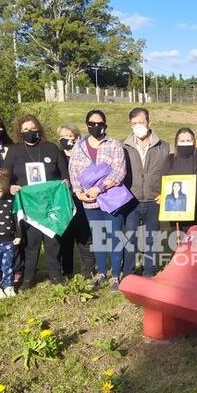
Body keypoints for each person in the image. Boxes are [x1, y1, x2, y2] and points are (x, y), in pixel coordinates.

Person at [4, 113, 70, 288]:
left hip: (49, 206)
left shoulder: (51, 148)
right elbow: (5, 177)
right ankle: (28, 277)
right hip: (28, 206)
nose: (30, 132)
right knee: (30, 243)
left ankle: (55, 274)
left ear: (39, 129)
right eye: (25, 129)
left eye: (33, 128)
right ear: (20, 132)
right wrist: (10, 187)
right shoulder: (14, 150)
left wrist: (65, 183)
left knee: (52, 242)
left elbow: (64, 172)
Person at [68, 110, 126, 291]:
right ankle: (102, 272)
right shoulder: (79, 147)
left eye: (99, 123)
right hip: (90, 201)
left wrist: (100, 188)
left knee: (114, 237)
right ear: (86, 124)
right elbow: (73, 171)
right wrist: (78, 192)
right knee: (99, 237)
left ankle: (116, 275)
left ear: (105, 124)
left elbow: (119, 171)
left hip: (110, 198)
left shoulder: (114, 144)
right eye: (92, 123)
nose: (96, 126)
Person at [122, 107, 168, 278]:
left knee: (151, 238)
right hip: (131, 200)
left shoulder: (164, 147)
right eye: (134, 123)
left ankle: (149, 270)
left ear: (149, 122)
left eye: (141, 122)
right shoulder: (123, 146)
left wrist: (165, 193)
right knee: (129, 238)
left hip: (154, 199)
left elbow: (170, 173)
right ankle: (128, 272)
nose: (138, 126)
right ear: (130, 125)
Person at [57, 123, 95, 279]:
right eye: (62, 137)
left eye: (70, 137)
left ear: (77, 137)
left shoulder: (84, 154)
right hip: (63, 202)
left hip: (81, 200)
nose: (66, 140)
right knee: (65, 238)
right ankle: (67, 272)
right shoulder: (57, 155)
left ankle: (89, 270)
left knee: (85, 237)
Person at [162, 128, 197, 229]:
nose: (185, 143)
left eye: (188, 140)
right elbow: (163, 181)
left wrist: (186, 203)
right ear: (176, 143)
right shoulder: (170, 159)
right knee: (180, 243)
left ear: (194, 142)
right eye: (182, 141)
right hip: (176, 212)